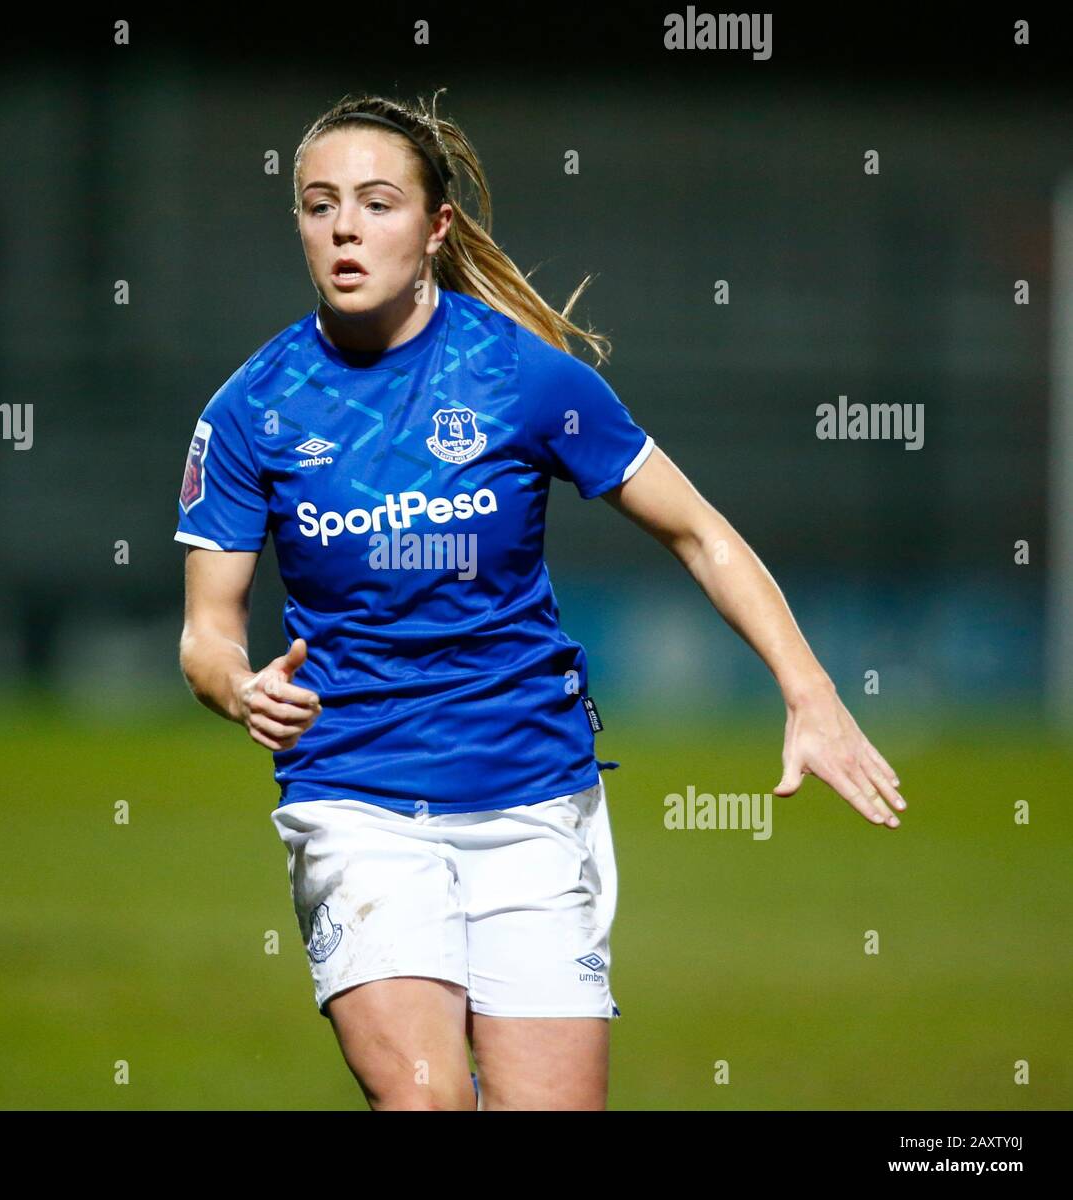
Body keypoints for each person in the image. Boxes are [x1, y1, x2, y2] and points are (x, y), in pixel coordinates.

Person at [175, 90, 906, 1111]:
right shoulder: (250, 407)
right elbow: (207, 631)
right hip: (354, 794)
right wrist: (235, 687)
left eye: (376, 203)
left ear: (433, 229)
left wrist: (809, 692)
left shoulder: (522, 377)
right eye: (318, 203)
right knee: (425, 1101)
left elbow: (699, 532)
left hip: (532, 796)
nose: (343, 226)